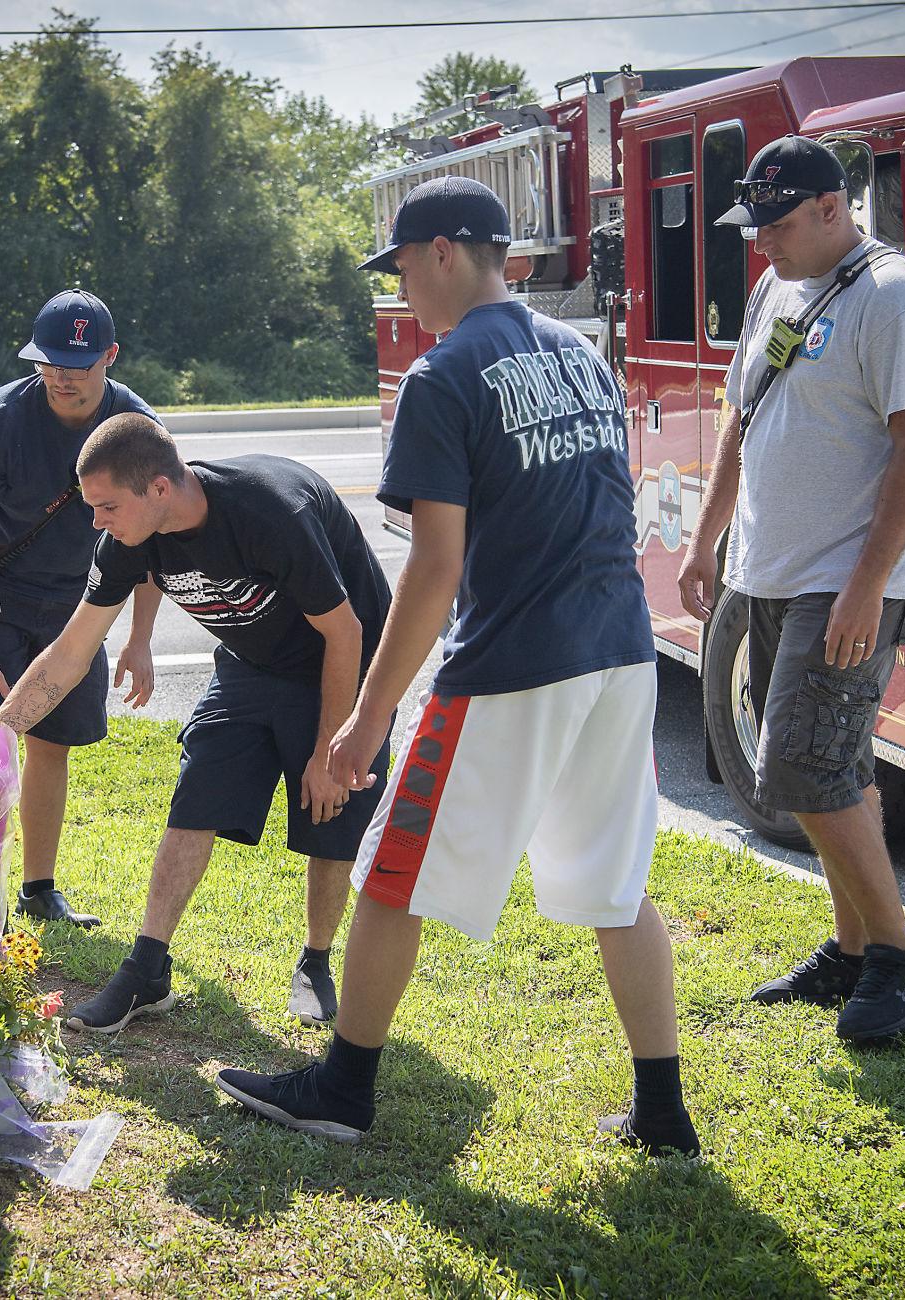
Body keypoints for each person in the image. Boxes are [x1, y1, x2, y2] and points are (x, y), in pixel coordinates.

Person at [215, 175, 700, 1154]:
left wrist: (364, 718)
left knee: (390, 872)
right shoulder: (580, 356)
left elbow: (432, 569)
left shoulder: (442, 377)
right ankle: (663, 1117)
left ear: (441, 250)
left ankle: (341, 1091)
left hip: (510, 665)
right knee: (616, 886)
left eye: (397, 267)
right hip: (619, 652)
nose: (397, 290)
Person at [0, 413, 392, 1031]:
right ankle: (147, 969)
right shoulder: (126, 542)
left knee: (327, 810)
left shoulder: (270, 513)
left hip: (342, 661)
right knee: (197, 797)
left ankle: (316, 960)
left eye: (107, 506)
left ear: (159, 490)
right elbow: (70, 651)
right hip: (250, 661)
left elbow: (346, 631)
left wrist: (329, 750)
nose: (96, 522)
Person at [676, 135, 905, 1041]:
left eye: (778, 223)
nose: (760, 242)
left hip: (844, 583)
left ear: (834, 209)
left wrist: (867, 586)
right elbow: (738, 419)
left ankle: (900, 960)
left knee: (795, 768)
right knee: (833, 769)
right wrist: (705, 540)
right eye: (751, 225)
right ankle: (847, 951)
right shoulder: (774, 287)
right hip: (768, 572)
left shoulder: (892, 296)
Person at [0, 289, 162, 928]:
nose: (64, 376)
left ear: (110, 357)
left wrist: (139, 639)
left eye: (81, 363)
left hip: (79, 604)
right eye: (52, 362)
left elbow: (149, 540)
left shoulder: (135, 429)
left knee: (52, 743)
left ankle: (38, 888)